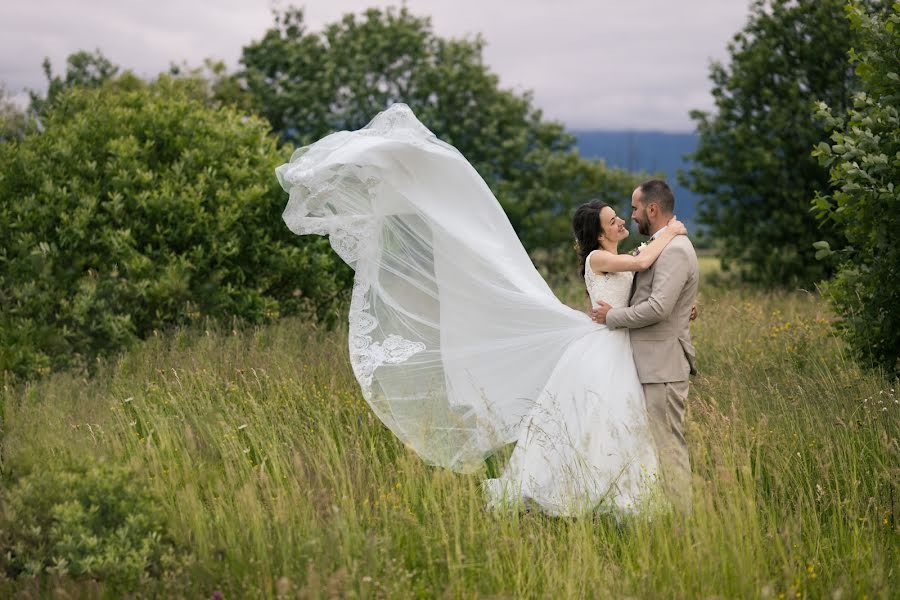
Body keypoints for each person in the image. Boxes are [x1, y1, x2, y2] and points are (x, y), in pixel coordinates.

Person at [275, 103, 695, 517]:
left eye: (625, 214)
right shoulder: (600, 259)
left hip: (617, 346)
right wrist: (673, 231)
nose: (624, 219)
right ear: (599, 231)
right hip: (609, 344)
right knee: (606, 420)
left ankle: (631, 495)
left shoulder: (621, 256)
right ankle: (602, 495)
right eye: (615, 218)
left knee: (616, 424)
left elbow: (642, 283)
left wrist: (679, 303)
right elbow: (641, 265)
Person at [591, 180, 700, 515]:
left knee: (668, 446)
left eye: (636, 208)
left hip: (662, 364)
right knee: (649, 445)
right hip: (645, 363)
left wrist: (612, 318)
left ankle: (683, 521)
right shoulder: (659, 246)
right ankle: (654, 511)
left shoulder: (676, 249)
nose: (632, 215)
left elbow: (657, 308)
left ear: (652, 209)